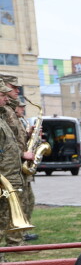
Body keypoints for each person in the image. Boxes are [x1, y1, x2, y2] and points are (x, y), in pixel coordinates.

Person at [0, 75, 35, 244]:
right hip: (5, 174)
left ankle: (16, 241)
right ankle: (13, 241)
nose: (7, 96)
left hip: (11, 172)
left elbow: (11, 140)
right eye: (3, 93)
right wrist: (22, 154)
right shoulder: (5, 113)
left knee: (16, 207)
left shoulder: (4, 113)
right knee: (5, 213)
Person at [0, 79, 24, 254]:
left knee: (3, 218)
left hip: (8, 178)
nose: (6, 98)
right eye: (2, 95)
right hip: (3, 179)